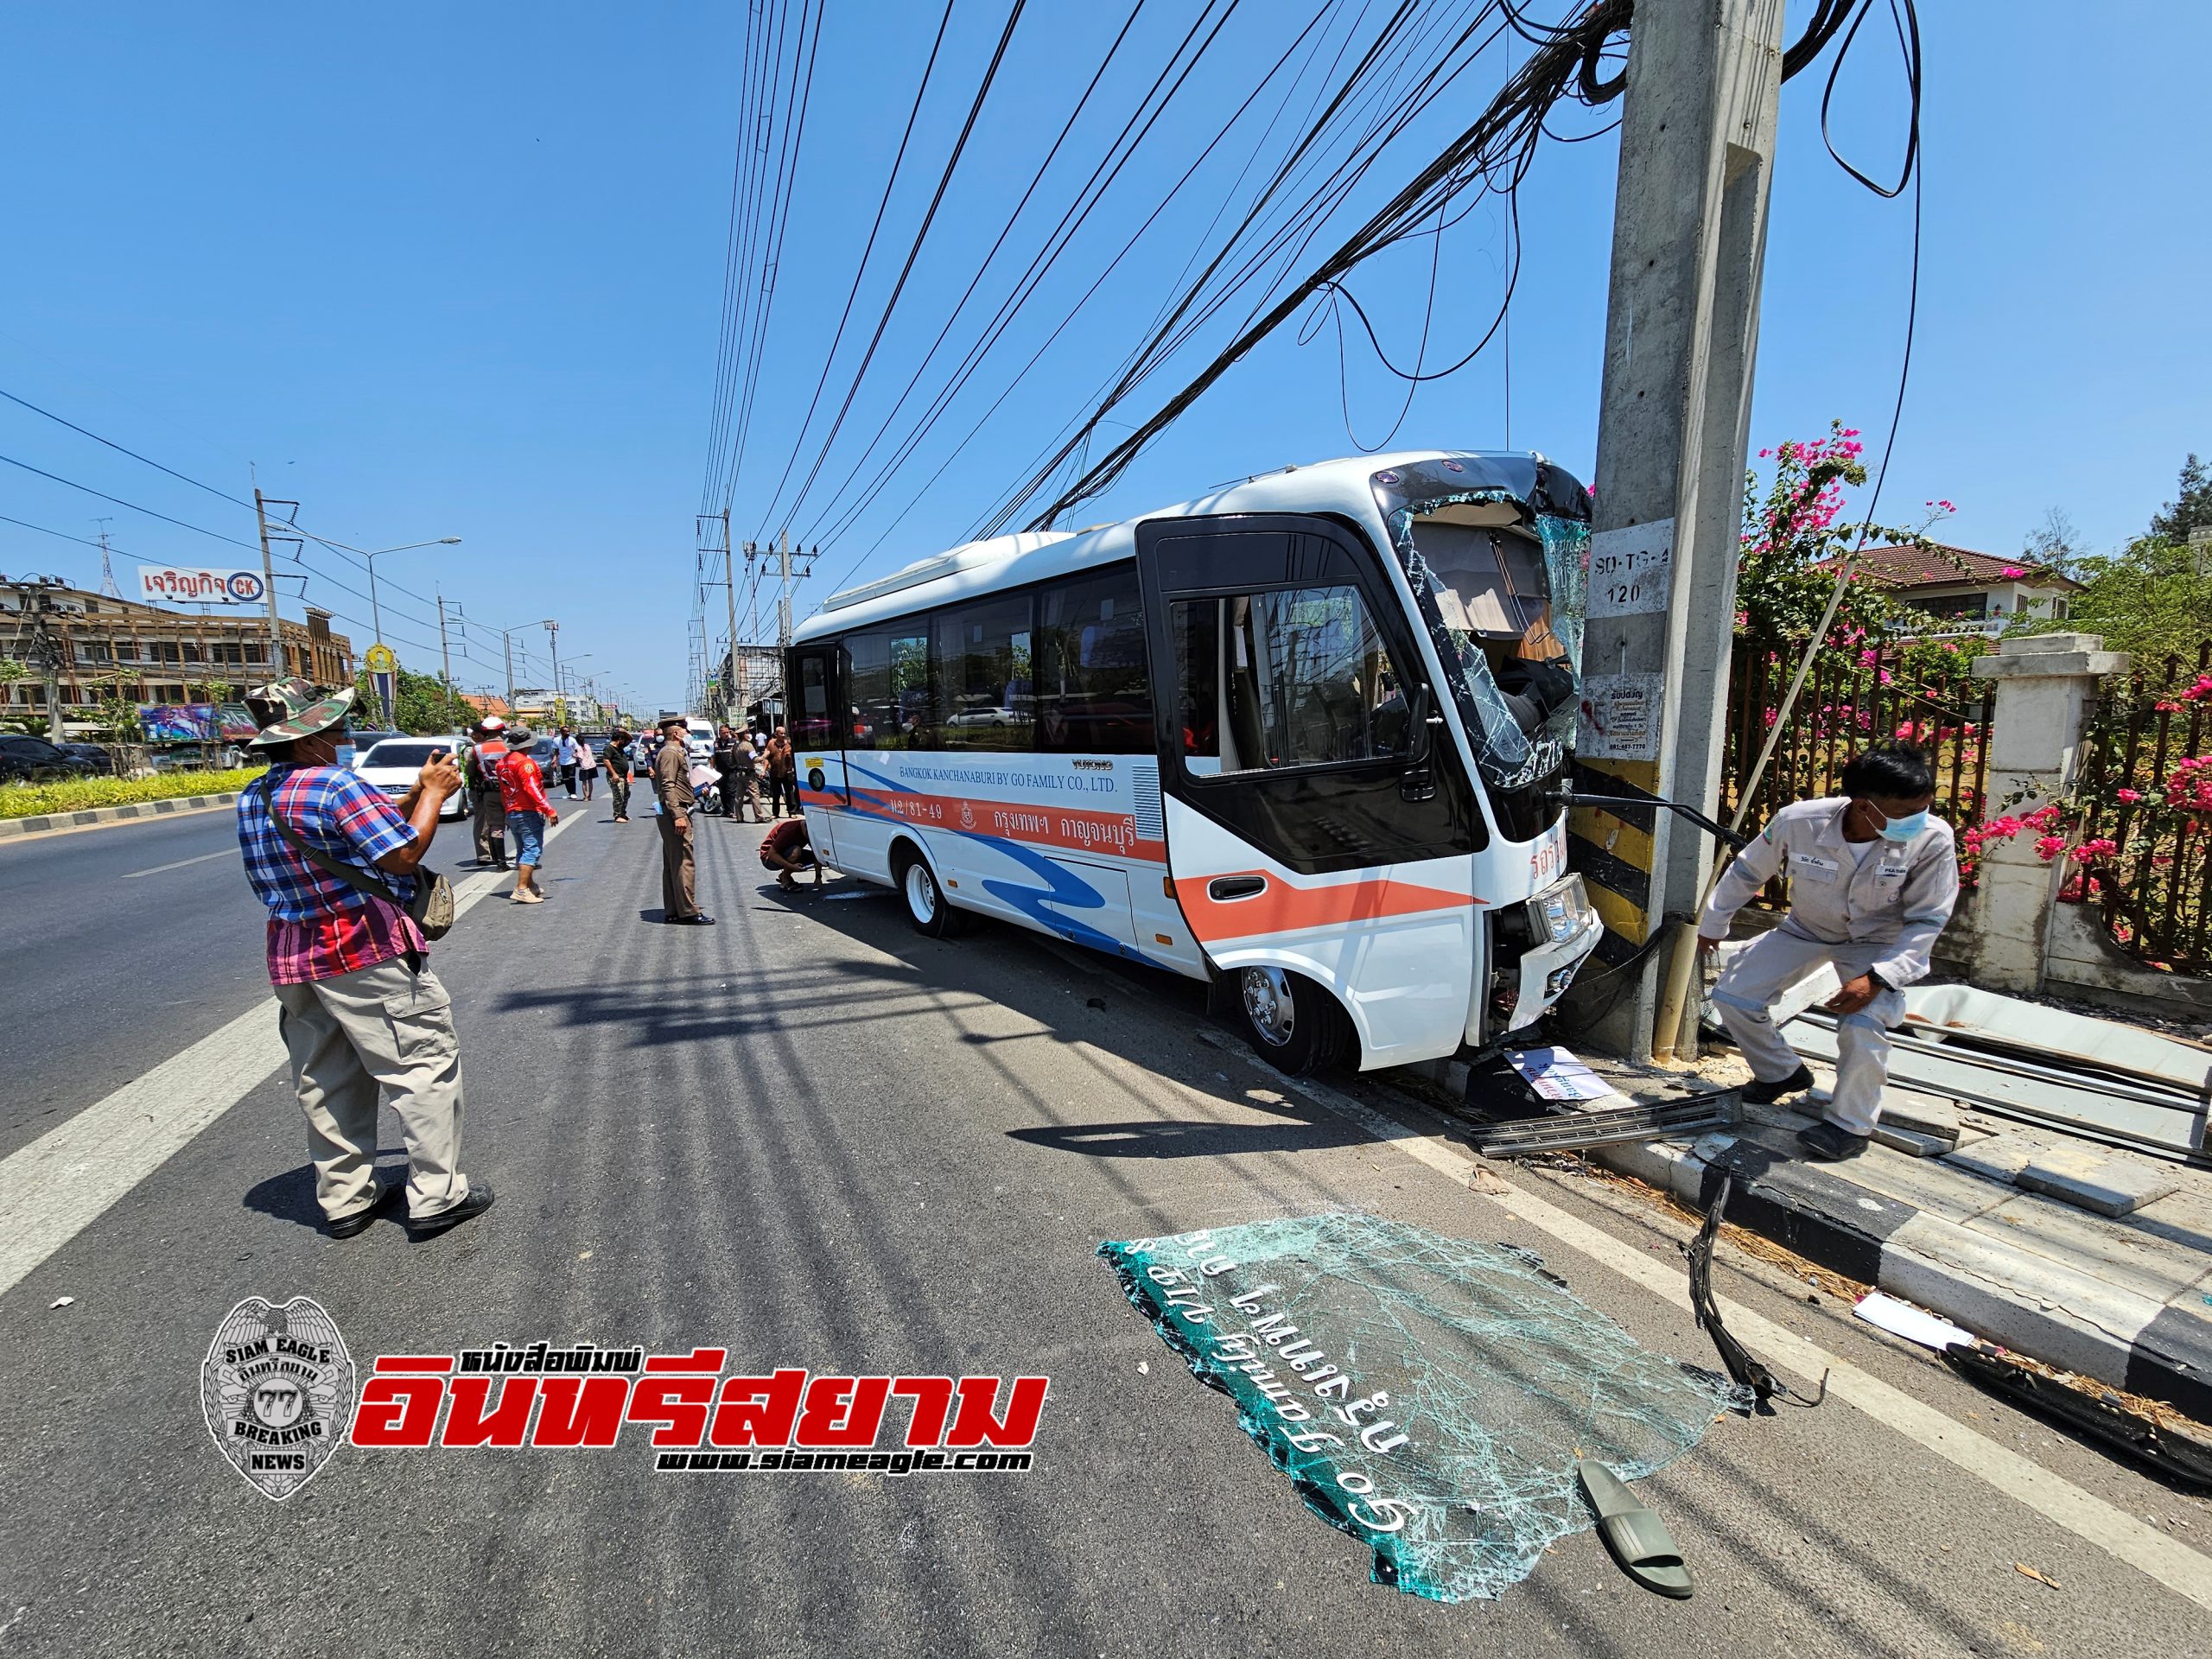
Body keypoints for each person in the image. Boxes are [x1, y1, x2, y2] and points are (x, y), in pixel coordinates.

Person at [233, 677, 493, 1239]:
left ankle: (347, 1197)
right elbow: (400, 854)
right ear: (306, 741)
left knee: (327, 1077)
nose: (343, 736)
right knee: (420, 1066)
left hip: (294, 954)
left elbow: (349, 836)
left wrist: (415, 796)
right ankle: (437, 1197)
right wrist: (433, 795)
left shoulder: (254, 795)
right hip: (362, 948)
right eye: (333, 729)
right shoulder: (333, 785)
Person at [1698, 742, 1961, 1162]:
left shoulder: (1933, 838)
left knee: (1863, 1025)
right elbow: (1748, 870)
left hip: (1877, 943)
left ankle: (1850, 1125)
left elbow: (1928, 919)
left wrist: (1880, 978)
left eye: (1923, 809)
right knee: (1734, 996)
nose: (1917, 821)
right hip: (1806, 928)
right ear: (1862, 805)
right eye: (1904, 813)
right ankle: (1780, 1073)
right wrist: (1713, 925)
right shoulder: (1800, 820)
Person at [653, 714, 713, 925]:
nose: (689, 735)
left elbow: (679, 785)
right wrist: (678, 815)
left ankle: (673, 909)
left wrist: (697, 791)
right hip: (676, 814)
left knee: (673, 863)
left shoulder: (675, 752)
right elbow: (668, 785)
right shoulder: (671, 752)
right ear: (677, 734)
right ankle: (688, 910)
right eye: (687, 732)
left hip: (675, 810)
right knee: (684, 862)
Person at [495, 724, 560, 904]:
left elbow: (503, 792)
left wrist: (506, 811)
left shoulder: (503, 763)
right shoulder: (525, 763)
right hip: (527, 811)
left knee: (522, 849)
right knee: (532, 850)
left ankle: (530, 885)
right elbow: (531, 789)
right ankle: (521, 889)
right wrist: (549, 810)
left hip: (512, 811)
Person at [463, 716, 511, 870]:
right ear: (501, 730)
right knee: (518, 823)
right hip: (510, 791)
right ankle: (526, 860)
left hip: (490, 792)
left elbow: (469, 771)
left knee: (495, 825)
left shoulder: (478, 749)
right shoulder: (509, 747)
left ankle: (500, 862)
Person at [760, 814, 822, 890]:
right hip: (769, 859)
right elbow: (771, 854)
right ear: (805, 829)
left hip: (785, 852)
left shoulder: (809, 833)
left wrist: (818, 877)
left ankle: (784, 875)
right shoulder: (789, 830)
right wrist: (792, 867)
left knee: (816, 856)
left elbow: (817, 855)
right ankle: (785, 881)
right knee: (796, 851)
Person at [729, 727, 766, 822]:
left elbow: (731, 761)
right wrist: (765, 755)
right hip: (749, 774)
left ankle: (739, 817)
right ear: (745, 734)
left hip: (739, 773)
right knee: (754, 795)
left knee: (739, 796)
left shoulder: (735, 746)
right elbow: (755, 759)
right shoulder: (748, 746)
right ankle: (759, 817)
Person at [602, 724, 635, 822]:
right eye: (623, 739)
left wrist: (624, 731)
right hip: (616, 776)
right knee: (618, 796)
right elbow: (606, 761)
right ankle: (617, 816)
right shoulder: (609, 748)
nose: (625, 741)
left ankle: (622, 813)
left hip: (623, 776)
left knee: (626, 794)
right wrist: (614, 774)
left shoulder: (620, 746)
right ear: (619, 739)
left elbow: (631, 738)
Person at [765, 725, 798, 817]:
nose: (783, 735)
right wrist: (764, 770)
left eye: (784, 733)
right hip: (775, 772)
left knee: (790, 793)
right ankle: (775, 813)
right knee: (776, 794)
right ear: (776, 734)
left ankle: (792, 812)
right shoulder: (771, 743)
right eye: (781, 733)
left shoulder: (789, 744)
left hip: (787, 773)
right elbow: (767, 758)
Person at [711, 724, 741, 818]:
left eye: (727, 732)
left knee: (731, 791)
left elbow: (738, 755)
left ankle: (731, 811)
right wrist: (712, 769)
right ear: (719, 733)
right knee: (722, 791)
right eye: (724, 733)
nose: (726, 734)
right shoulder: (715, 744)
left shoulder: (734, 742)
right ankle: (726, 810)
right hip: (720, 772)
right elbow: (713, 757)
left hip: (732, 770)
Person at [556, 727, 581, 799]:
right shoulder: (556, 740)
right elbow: (556, 751)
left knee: (571, 777)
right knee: (565, 778)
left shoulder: (572, 740)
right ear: (561, 732)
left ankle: (573, 792)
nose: (568, 733)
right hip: (563, 762)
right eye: (566, 732)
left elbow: (577, 749)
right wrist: (555, 760)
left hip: (571, 761)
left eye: (568, 731)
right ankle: (570, 792)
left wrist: (577, 757)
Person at [577, 732, 598, 801]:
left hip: (584, 767)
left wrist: (574, 755)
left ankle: (586, 796)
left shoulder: (578, 748)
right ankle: (590, 796)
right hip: (592, 765)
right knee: (590, 781)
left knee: (584, 782)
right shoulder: (587, 746)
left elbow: (580, 756)